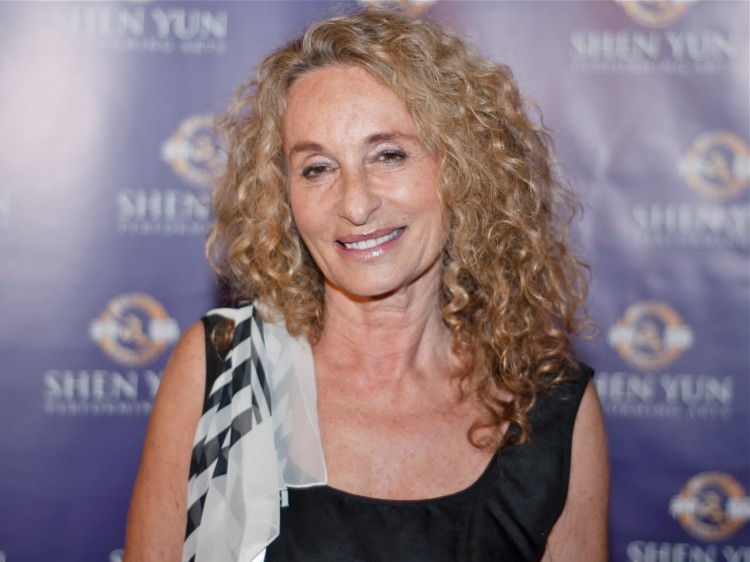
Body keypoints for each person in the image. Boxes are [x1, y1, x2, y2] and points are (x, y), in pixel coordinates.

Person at [124, 8, 609, 562]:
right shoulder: (221, 368)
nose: (355, 204)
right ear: (284, 196)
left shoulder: (551, 406)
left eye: (389, 155)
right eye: (317, 168)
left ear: (464, 170)